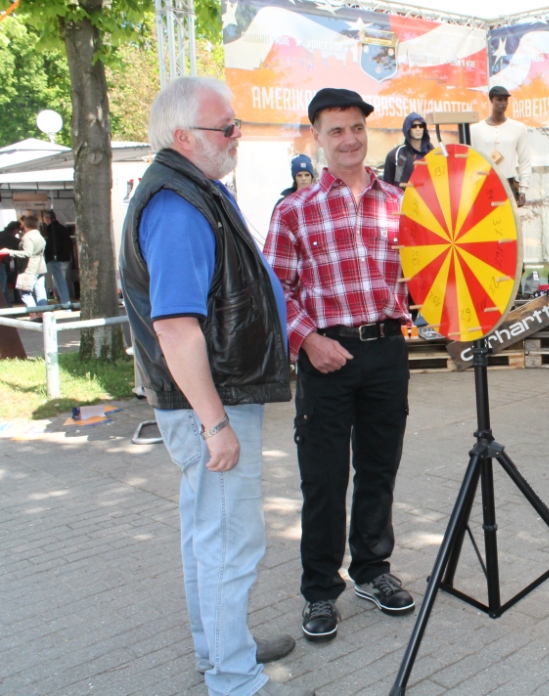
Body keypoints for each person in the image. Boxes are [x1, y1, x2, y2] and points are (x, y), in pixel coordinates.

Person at [118, 76, 313, 696]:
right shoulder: (178, 206)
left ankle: (222, 651)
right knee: (230, 539)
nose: (236, 136)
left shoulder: (194, 190)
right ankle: (234, 677)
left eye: (236, 125)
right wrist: (215, 423)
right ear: (182, 136)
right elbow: (176, 328)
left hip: (213, 397)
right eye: (225, 127)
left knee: (210, 533)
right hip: (212, 401)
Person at [264, 88, 416, 644]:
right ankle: (320, 591)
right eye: (336, 130)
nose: (349, 139)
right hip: (325, 357)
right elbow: (274, 289)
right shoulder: (294, 210)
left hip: (385, 351)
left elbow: (426, 271)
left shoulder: (400, 202)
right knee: (324, 478)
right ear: (317, 137)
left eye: (356, 128)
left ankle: (372, 571)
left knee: (379, 469)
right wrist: (307, 341)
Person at [469, 86, 531, 207]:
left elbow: (525, 160)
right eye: (499, 99)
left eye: (505, 99)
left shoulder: (518, 128)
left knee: (509, 218)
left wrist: (523, 188)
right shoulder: (475, 129)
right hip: (483, 184)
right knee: (486, 217)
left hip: (509, 183)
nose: (503, 103)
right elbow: (471, 162)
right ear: (491, 100)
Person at [0, 215, 47, 316]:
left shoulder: (27, 237)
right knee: (40, 292)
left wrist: (9, 251)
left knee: (24, 293)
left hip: (29, 268)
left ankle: (33, 314)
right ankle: (43, 314)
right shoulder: (39, 236)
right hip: (40, 266)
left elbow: (27, 253)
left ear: (25, 225)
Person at [382, 112, 434, 187]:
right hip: (404, 194)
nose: (418, 129)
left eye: (421, 126)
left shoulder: (432, 153)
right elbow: (387, 187)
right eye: (414, 126)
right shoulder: (396, 155)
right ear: (407, 129)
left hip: (428, 193)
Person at [42, 210, 73, 307]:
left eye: (45, 219)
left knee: (60, 283)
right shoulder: (62, 228)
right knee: (61, 282)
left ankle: (65, 304)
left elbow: (52, 245)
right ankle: (64, 303)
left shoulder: (52, 229)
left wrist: (49, 256)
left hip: (57, 259)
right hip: (64, 258)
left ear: (48, 219)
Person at [0, 220, 20, 307]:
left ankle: (8, 306)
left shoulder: (1, 233)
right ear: (15, 229)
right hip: (1, 262)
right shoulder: (12, 238)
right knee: (2, 287)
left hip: (2, 262)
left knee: (3, 287)